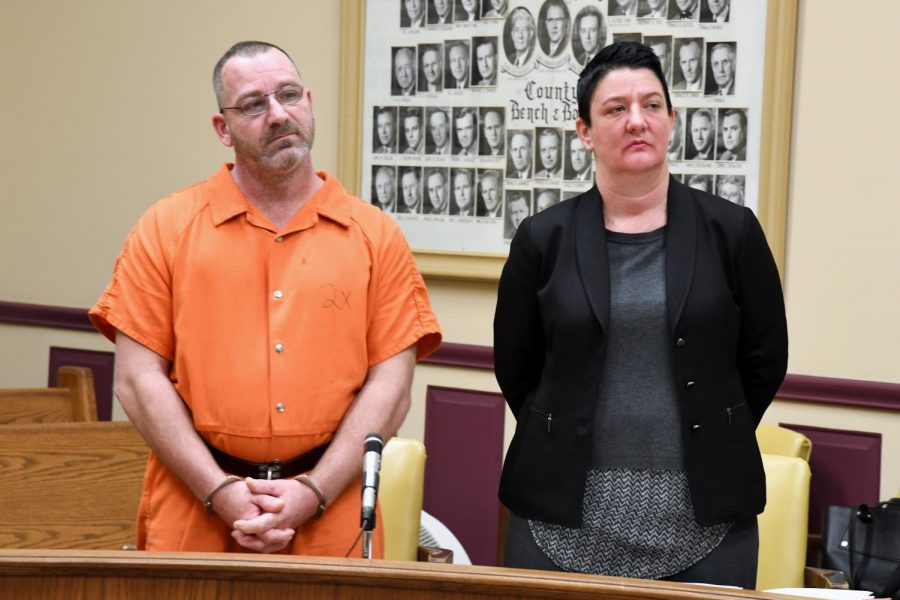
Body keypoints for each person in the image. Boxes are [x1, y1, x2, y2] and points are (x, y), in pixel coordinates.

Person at [89, 41, 441, 557]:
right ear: (222, 129)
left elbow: (391, 386)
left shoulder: (374, 235)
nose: (278, 115)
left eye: (290, 95)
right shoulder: (165, 227)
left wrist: (313, 490)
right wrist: (220, 490)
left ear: (310, 103)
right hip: (196, 502)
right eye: (254, 104)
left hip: (331, 503)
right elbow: (138, 381)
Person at [494, 41, 786, 588]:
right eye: (615, 109)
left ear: (671, 120)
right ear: (584, 131)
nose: (637, 122)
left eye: (652, 105)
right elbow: (518, 366)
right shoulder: (543, 238)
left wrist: (713, 431)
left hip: (706, 518)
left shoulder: (732, 231)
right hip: (558, 518)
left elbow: (765, 358)